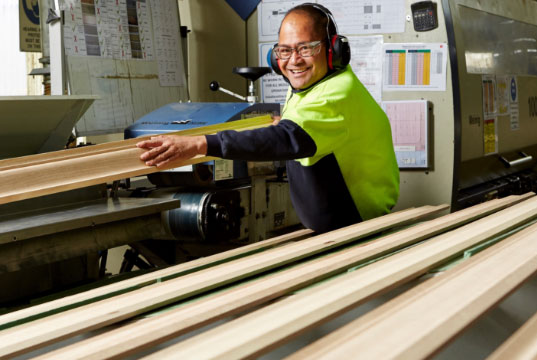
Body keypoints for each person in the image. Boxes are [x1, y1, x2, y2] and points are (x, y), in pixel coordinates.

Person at [137, 3, 399, 233]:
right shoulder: (306, 85)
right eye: (284, 51)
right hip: (336, 229)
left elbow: (290, 139)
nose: (294, 60)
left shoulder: (337, 91)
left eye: (305, 48)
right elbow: (300, 129)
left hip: (358, 227)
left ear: (333, 51)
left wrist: (199, 145)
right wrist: (283, 126)